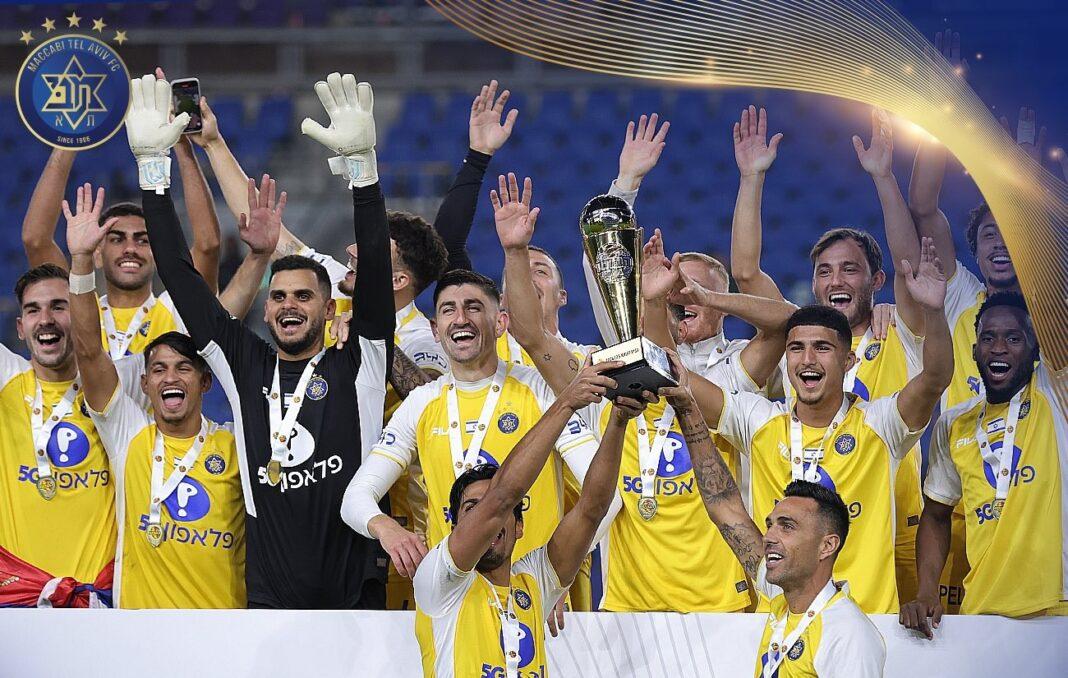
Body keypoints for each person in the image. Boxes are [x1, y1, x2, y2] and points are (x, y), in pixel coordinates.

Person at [128, 71, 392, 608]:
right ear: (266, 310)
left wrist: (364, 175)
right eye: (278, 297)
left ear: (327, 306)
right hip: (268, 602)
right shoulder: (241, 363)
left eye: (303, 296)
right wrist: (153, 174)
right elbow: (180, 277)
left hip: (356, 598)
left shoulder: (359, 361)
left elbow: (379, 281)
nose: (288, 305)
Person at [500, 182, 796, 613]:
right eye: (670, 286)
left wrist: (696, 297)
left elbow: (790, 323)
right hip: (627, 608)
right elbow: (533, 337)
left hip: (718, 605)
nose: (679, 292)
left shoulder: (729, 382)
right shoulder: (606, 375)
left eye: (688, 287)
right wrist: (513, 252)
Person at [731, 105, 929, 604]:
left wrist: (883, 176)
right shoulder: (799, 340)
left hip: (893, 527)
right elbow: (748, 273)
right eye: (824, 271)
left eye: (850, 270)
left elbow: (911, 266)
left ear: (876, 281)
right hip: (807, 536)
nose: (835, 280)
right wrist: (751, 178)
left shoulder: (901, 330)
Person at [693, 238, 952, 613]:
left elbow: (936, 377)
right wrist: (655, 306)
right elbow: (680, 379)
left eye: (822, 348)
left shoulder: (880, 426)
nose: (807, 359)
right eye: (796, 348)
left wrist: (935, 312)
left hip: (864, 626)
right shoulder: (759, 422)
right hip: (780, 632)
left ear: (848, 361)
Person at [63, 179, 252, 609]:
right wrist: (78, 263)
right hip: (140, 637)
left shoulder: (236, 445)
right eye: (159, 369)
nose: (172, 377)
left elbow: (206, 251)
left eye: (184, 368)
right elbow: (90, 352)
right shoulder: (128, 436)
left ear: (206, 380)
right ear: (143, 384)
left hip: (225, 635)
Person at [904, 30, 1028, 613]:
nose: (999, 247)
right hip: (962, 472)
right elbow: (924, 205)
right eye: (987, 236)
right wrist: (942, 106)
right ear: (974, 249)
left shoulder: (1052, 321)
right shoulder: (960, 298)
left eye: (1011, 235)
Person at [413, 361, 640, 678]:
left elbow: (593, 506)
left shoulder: (535, 582)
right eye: (472, 509)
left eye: (502, 515)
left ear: (519, 527)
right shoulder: (439, 582)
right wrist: (566, 402)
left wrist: (618, 421)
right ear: (456, 528)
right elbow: (504, 495)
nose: (489, 520)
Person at [668, 351, 884, 676]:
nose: (769, 536)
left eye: (787, 527)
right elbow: (724, 505)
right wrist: (687, 411)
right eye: (771, 525)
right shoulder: (781, 601)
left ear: (827, 545)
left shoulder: (846, 633)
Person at [901, 293, 1067, 635]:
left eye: (1014, 338)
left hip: (1058, 607)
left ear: (1036, 350)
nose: (999, 348)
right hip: (983, 611)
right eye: (988, 338)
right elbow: (935, 515)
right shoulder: (954, 423)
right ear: (975, 350)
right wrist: (927, 589)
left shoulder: (1055, 396)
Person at [20, 87, 222, 358]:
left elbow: (208, 245)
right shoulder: (74, 309)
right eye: (116, 238)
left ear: (157, 254)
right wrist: (68, 141)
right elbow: (36, 240)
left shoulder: (176, 310)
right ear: (98, 253)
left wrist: (182, 146)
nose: (130, 248)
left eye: (142, 239)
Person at [0, 264, 118, 599]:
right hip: (15, 598)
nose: (46, 319)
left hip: (98, 600)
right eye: (33, 310)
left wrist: (81, 260)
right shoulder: (6, 379)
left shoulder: (117, 389)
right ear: (21, 328)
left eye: (59, 306)